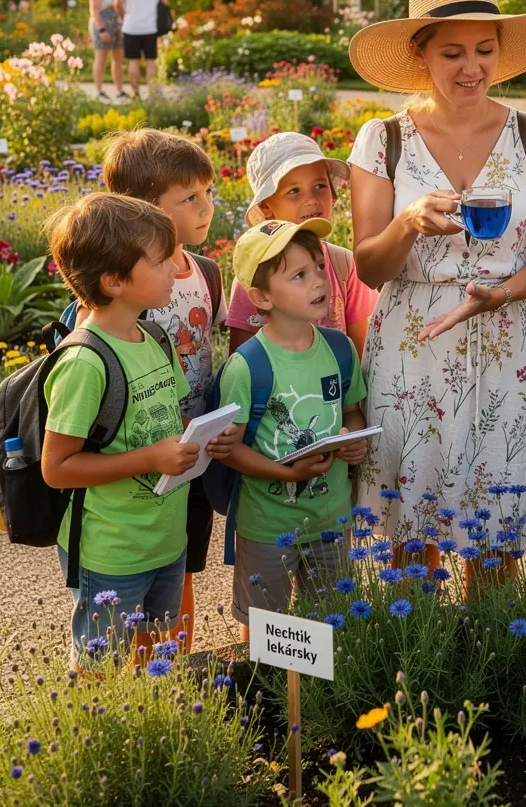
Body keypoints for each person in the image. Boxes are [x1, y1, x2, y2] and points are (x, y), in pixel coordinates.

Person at [346, 0, 526, 561]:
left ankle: (492, 650)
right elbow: (368, 268)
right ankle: (413, 650)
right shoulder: (382, 140)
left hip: (506, 337)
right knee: (412, 538)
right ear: (421, 55)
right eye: (452, 52)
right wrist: (407, 221)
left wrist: (502, 293)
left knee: (495, 540)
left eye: (484, 50)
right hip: (411, 347)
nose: (471, 67)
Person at [40, 194, 231, 662]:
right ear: (114, 280)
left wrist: (203, 433)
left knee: (156, 658)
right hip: (112, 553)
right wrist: (150, 459)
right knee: (101, 670)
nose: (174, 269)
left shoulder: (156, 337)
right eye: (160, 261)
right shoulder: (86, 361)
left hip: (165, 540)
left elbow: (168, 420)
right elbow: (57, 467)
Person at [102, 128, 238, 653]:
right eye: (189, 198)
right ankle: (131, 684)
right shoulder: (126, 280)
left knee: (182, 568)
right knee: (134, 575)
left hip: (195, 449)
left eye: (208, 192)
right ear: (140, 208)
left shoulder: (206, 271)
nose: (206, 208)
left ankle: (173, 676)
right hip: (142, 451)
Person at [220, 220, 368, 636]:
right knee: (268, 633)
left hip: (332, 520)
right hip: (269, 526)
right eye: (299, 275)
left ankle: (317, 702)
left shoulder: (339, 349)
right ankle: (273, 700)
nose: (318, 281)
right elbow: (229, 449)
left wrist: (352, 441)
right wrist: (287, 473)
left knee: (332, 628)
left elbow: (353, 411)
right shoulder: (247, 366)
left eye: (319, 268)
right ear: (261, 297)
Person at [227, 132, 376, 356]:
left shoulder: (344, 265)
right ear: (267, 206)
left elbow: (359, 353)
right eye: (294, 191)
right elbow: (241, 360)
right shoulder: (254, 273)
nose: (312, 200)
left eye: (320, 186)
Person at [114, 0, 168, 100]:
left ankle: (135, 93)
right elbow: (165, 1)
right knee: (151, 61)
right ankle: (152, 94)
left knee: (134, 60)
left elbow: (117, 3)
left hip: (131, 26)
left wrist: (124, 16)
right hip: (150, 27)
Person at [88, 0, 125, 102]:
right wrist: (101, 30)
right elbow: (94, 9)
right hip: (102, 25)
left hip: (116, 25)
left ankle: (120, 90)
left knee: (118, 59)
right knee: (101, 58)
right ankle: (98, 90)